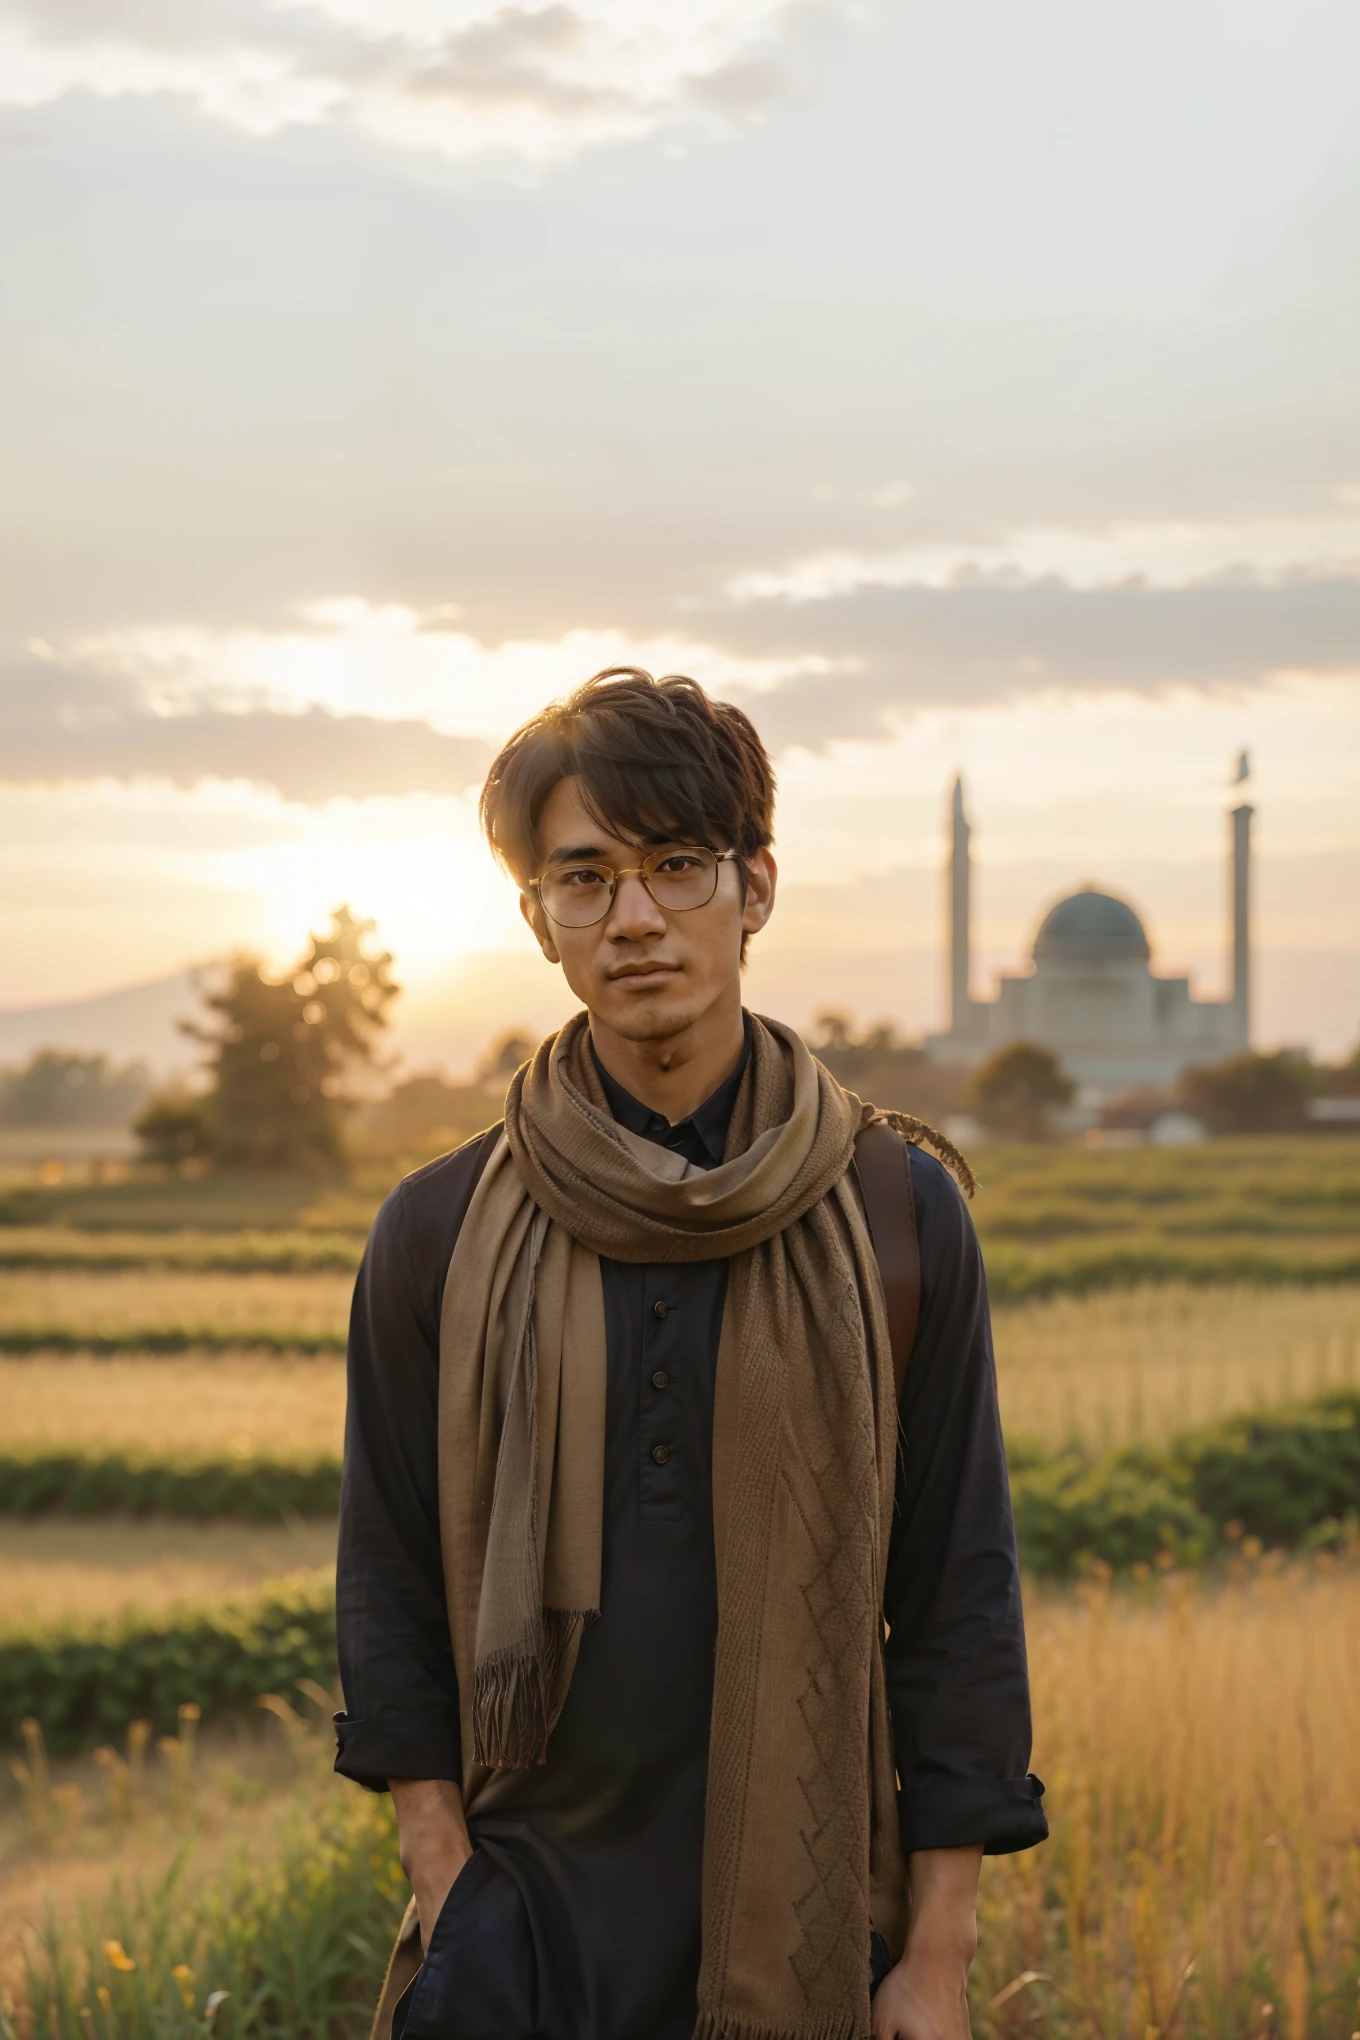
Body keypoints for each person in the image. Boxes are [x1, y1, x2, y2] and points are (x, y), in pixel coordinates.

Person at [335, 668, 1046, 2040]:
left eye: (677, 865)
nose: (637, 916)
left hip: (817, 1923)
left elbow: (959, 1588)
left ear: (757, 885)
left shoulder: (897, 1215)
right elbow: (389, 1573)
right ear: (538, 919)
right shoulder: (436, 1230)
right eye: (585, 878)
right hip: (523, 1935)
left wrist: (939, 1952)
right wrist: (444, 1879)